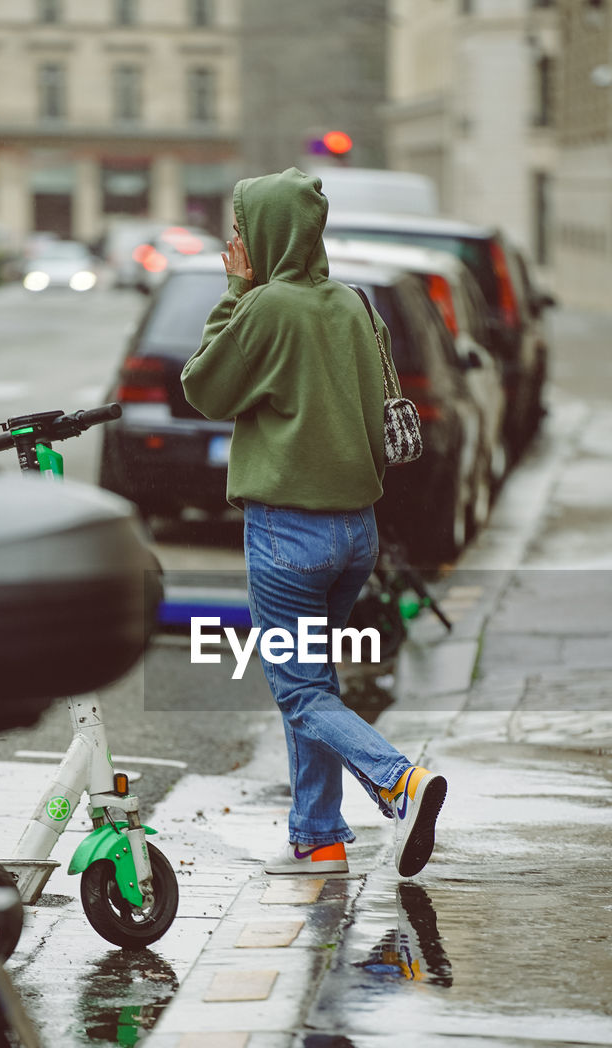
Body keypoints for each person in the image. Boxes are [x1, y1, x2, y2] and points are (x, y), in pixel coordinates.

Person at [181, 167, 446, 878]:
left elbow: (204, 387)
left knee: (298, 688)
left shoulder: (267, 306)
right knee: (314, 683)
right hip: (355, 529)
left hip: (287, 531)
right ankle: (318, 834)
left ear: (267, 233)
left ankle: (398, 781)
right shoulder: (353, 305)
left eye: (241, 230)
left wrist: (236, 290)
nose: (234, 245)